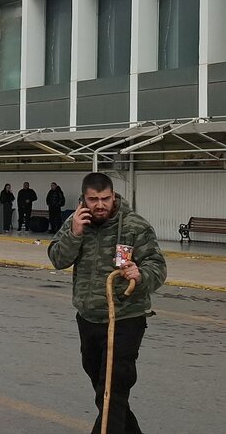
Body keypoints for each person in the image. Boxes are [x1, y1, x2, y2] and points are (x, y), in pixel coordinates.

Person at [48, 172, 166, 434]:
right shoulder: (76, 222)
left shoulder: (135, 226)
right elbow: (57, 259)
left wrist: (142, 274)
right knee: (105, 391)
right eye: (93, 199)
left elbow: (157, 267)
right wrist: (75, 233)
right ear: (84, 199)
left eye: (105, 198)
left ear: (113, 196)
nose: (100, 205)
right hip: (88, 319)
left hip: (126, 318)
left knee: (112, 388)